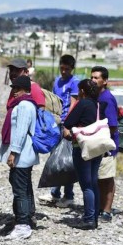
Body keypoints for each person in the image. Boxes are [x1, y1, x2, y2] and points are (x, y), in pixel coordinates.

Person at [0, 75, 39, 240]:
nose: (14, 92)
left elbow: (21, 131)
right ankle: (25, 218)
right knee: (25, 186)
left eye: (17, 89)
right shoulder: (26, 104)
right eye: (13, 88)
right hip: (25, 154)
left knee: (19, 189)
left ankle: (22, 225)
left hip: (22, 155)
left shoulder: (24, 106)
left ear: (26, 90)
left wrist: (13, 152)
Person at [62, 79, 105, 230]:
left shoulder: (82, 103)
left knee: (86, 185)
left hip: (82, 147)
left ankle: (88, 219)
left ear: (82, 91)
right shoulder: (98, 105)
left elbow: (68, 123)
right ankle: (94, 217)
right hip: (97, 148)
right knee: (93, 182)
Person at [39, 54, 79, 207]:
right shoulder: (57, 80)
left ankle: (68, 195)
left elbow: (73, 104)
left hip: (67, 124)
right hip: (56, 122)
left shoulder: (74, 83)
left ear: (71, 69)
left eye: (67, 69)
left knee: (67, 160)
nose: (64, 72)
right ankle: (55, 192)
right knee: (55, 157)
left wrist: (68, 124)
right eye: (62, 68)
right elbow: (55, 100)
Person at [90, 66, 120, 221]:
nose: (93, 80)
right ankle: (101, 207)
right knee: (99, 178)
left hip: (107, 145)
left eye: (97, 78)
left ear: (105, 81)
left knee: (107, 179)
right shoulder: (96, 96)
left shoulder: (106, 98)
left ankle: (107, 211)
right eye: (92, 77)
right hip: (98, 144)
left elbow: (113, 125)